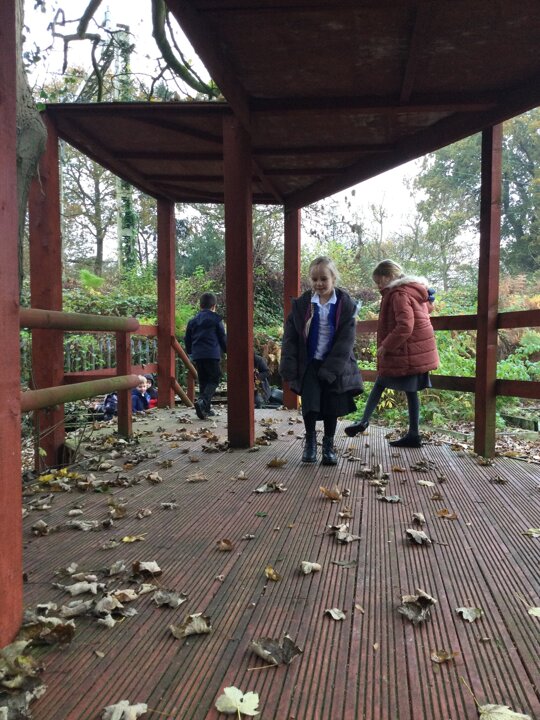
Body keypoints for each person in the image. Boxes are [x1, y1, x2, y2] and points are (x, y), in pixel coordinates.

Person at [345, 259, 439, 447]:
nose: (378, 286)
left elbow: (405, 326)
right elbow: (427, 309)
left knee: (382, 383)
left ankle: (365, 422)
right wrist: (430, 300)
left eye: (379, 281)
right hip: (413, 351)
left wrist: (386, 346)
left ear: (389, 276)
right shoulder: (412, 290)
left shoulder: (398, 294)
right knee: (405, 390)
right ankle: (412, 434)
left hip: (405, 351)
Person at [279, 256, 363, 465]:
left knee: (331, 405)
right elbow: (290, 337)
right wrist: (288, 364)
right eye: (314, 279)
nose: (319, 283)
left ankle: (328, 445)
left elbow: (346, 341)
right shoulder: (303, 304)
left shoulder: (345, 304)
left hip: (335, 364)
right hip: (310, 362)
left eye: (324, 279)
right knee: (310, 404)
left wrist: (331, 369)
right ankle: (310, 443)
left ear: (333, 278)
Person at [184, 292, 227, 420]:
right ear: (214, 306)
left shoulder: (192, 321)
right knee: (214, 378)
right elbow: (222, 337)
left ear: (200, 305)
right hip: (212, 354)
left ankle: (205, 410)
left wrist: (190, 352)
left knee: (203, 380)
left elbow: (187, 339)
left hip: (198, 355)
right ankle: (202, 401)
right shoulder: (216, 320)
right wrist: (226, 350)